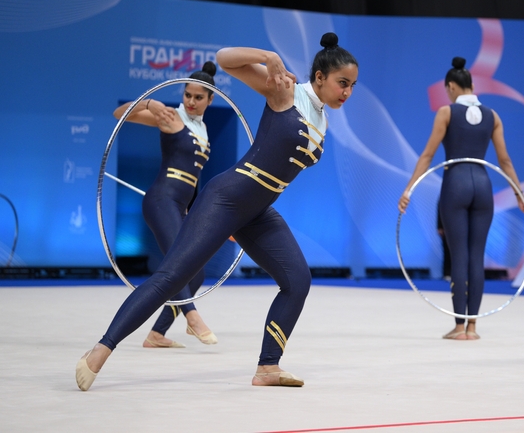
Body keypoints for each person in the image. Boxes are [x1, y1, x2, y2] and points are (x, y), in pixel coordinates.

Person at [76, 33, 358, 390]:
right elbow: (225, 59)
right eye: (342, 83)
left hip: (257, 211)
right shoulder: (286, 90)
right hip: (225, 199)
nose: (347, 92)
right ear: (319, 77)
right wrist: (268, 55)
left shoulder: (323, 120)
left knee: (298, 280)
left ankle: (268, 367)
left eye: (352, 86)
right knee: (172, 278)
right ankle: (101, 349)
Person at [398, 57, 524, 341]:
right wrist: (522, 196)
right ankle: (473, 327)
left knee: (458, 254)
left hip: (456, 184)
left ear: (450, 87)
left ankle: (459, 327)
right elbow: (505, 161)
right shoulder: (493, 115)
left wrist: (409, 190)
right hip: (483, 185)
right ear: (471, 86)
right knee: (476, 256)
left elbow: (427, 155)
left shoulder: (446, 112)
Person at [112, 62, 218, 349]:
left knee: (197, 273)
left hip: (179, 206)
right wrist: (148, 102)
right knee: (178, 266)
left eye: (198, 97)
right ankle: (193, 317)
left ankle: (157, 334)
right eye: (187, 95)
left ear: (211, 99)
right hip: (160, 200)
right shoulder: (170, 117)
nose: (192, 102)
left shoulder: (203, 129)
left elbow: (193, 177)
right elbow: (119, 115)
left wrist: (188, 208)